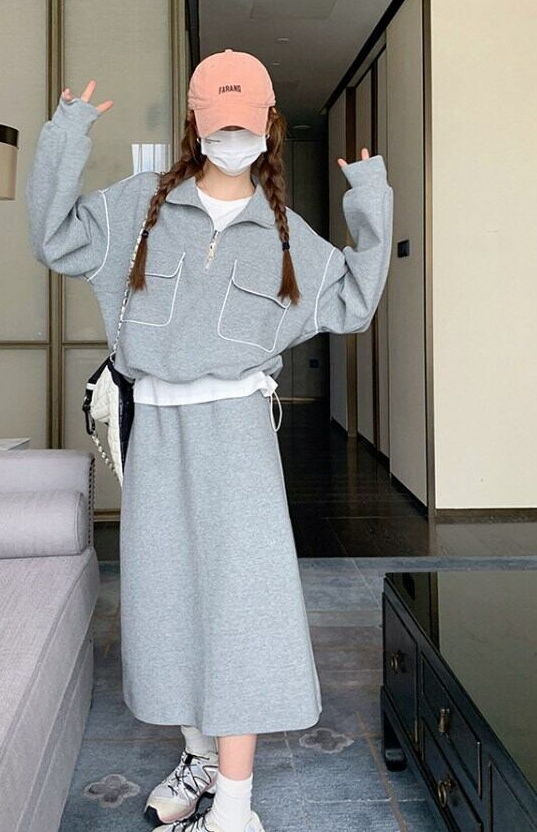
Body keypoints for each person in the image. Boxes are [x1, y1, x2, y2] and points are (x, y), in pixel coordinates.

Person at [26, 47, 393, 832]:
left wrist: (370, 199)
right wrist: (66, 135)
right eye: (217, 122)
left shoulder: (287, 236)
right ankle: (198, 755)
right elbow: (54, 239)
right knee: (164, 599)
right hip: (156, 429)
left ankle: (233, 807)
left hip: (237, 434)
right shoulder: (135, 207)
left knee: (241, 606)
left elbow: (355, 302)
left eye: (243, 122)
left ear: (267, 123)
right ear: (195, 123)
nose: (231, 135)